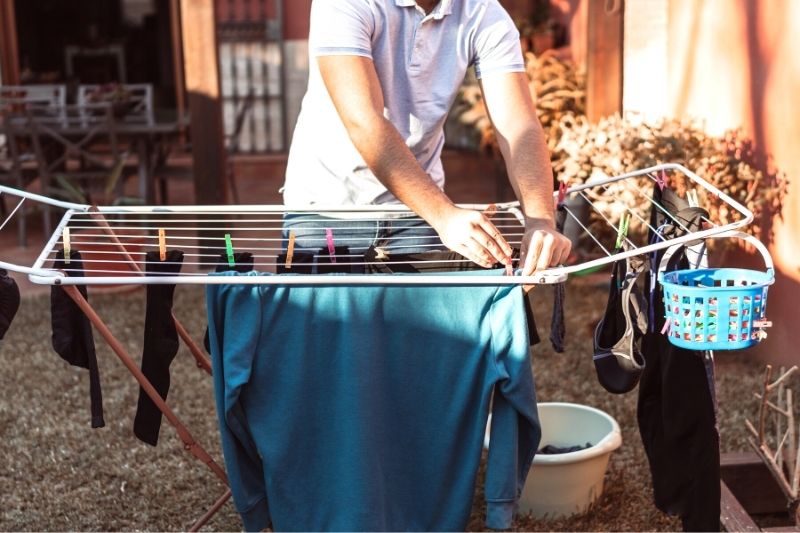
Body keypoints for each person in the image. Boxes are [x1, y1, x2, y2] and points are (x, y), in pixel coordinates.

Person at [282, 0, 571, 274]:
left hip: (417, 215)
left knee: (423, 328)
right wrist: (444, 215)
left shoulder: (482, 12)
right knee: (318, 326)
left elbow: (518, 125)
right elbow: (364, 121)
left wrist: (540, 221)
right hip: (325, 212)